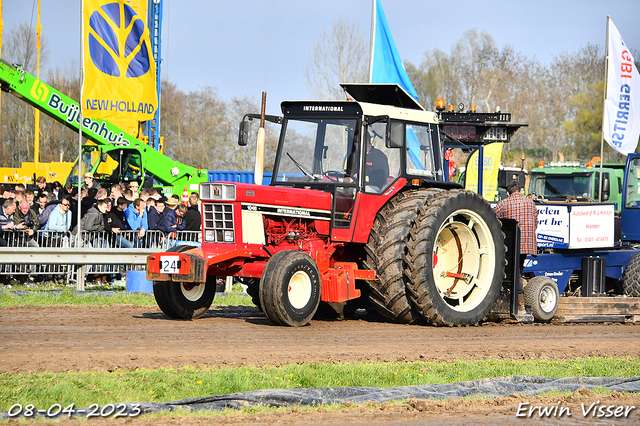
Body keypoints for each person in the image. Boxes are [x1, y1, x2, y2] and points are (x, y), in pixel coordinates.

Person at [495, 180, 538, 315]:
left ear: (508, 193)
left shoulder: (503, 204)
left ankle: (519, 304)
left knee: (513, 272)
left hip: (511, 244)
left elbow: (495, 222)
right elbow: (536, 223)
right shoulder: (531, 203)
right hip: (527, 244)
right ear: (520, 191)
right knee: (518, 270)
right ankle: (518, 302)